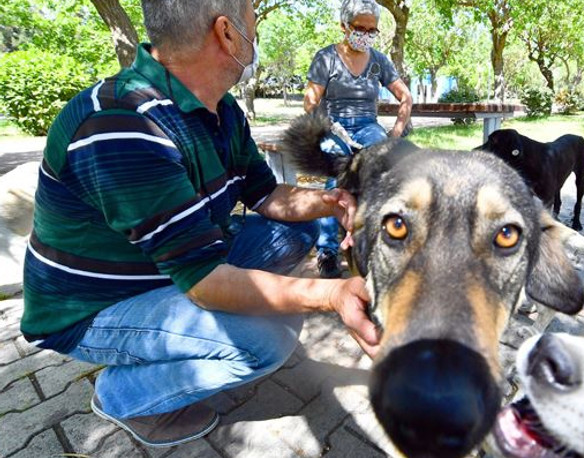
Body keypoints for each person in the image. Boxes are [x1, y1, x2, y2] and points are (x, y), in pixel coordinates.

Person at [20, 0, 380, 448]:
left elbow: (267, 196)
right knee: (271, 337)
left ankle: (201, 326)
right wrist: (331, 295)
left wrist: (334, 202)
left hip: (170, 264)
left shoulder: (221, 110)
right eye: (252, 23)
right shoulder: (120, 124)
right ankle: (123, 396)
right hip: (95, 306)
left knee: (298, 231)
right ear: (227, 34)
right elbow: (204, 282)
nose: (256, 34)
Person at [304, 0, 412, 278]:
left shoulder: (379, 61)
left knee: (379, 171)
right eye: (359, 28)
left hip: (368, 126)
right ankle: (328, 250)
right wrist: (325, 126)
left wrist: (396, 133)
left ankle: (376, 242)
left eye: (371, 30)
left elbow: (405, 97)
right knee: (337, 173)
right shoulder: (325, 58)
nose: (365, 34)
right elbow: (310, 102)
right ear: (344, 26)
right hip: (333, 126)